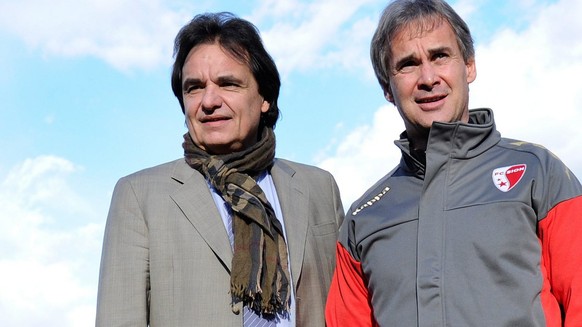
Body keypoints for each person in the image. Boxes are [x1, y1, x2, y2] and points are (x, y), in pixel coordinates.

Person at [325, 0, 582, 326]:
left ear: (469, 66)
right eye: (408, 64)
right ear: (387, 89)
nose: (428, 78)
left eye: (440, 56)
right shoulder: (364, 218)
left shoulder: (539, 173)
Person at [96, 12, 344, 327]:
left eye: (228, 83)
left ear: (264, 97)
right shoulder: (139, 196)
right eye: (194, 88)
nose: (209, 101)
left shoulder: (318, 187)